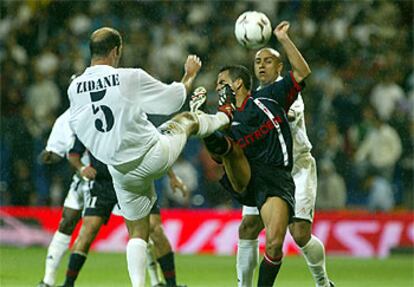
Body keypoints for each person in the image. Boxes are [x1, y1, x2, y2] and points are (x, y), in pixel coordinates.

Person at [68, 27, 231, 287]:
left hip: (120, 171)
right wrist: (188, 76)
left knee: (137, 231)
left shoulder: (74, 88)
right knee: (187, 119)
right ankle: (226, 117)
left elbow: (77, 127)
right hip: (153, 155)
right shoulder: (128, 77)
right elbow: (172, 101)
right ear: (116, 51)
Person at [201, 21, 310, 286]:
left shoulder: (270, 96)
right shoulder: (225, 117)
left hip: (275, 179)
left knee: (273, 246)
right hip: (248, 180)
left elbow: (303, 72)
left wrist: (283, 38)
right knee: (225, 145)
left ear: (238, 83)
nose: (218, 87)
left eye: (222, 82)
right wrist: (206, 121)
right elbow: (218, 157)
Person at [236, 46, 334, 287]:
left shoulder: (288, 91)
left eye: (268, 61)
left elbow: (285, 114)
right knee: (248, 227)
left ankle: (322, 282)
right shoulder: (253, 98)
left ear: (280, 67)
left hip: (296, 168)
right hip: (266, 171)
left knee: (300, 234)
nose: (261, 65)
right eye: (258, 61)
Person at [38, 110, 91, 287]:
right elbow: (55, 151)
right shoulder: (64, 119)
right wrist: (48, 156)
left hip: (113, 177)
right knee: (67, 221)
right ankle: (48, 281)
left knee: (138, 224)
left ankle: (155, 281)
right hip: (83, 178)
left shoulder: (105, 106)